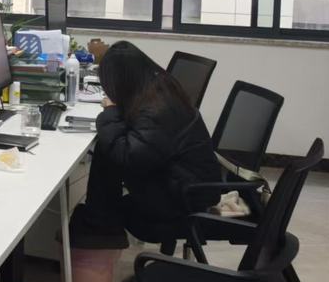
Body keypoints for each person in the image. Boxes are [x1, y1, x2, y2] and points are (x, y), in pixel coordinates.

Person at [70, 41, 223, 249]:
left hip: (181, 200)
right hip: (179, 180)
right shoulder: (158, 89)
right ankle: (99, 222)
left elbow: (128, 156)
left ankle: (100, 224)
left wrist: (111, 112)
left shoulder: (156, 110)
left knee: (109, 149)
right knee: (108, 146)